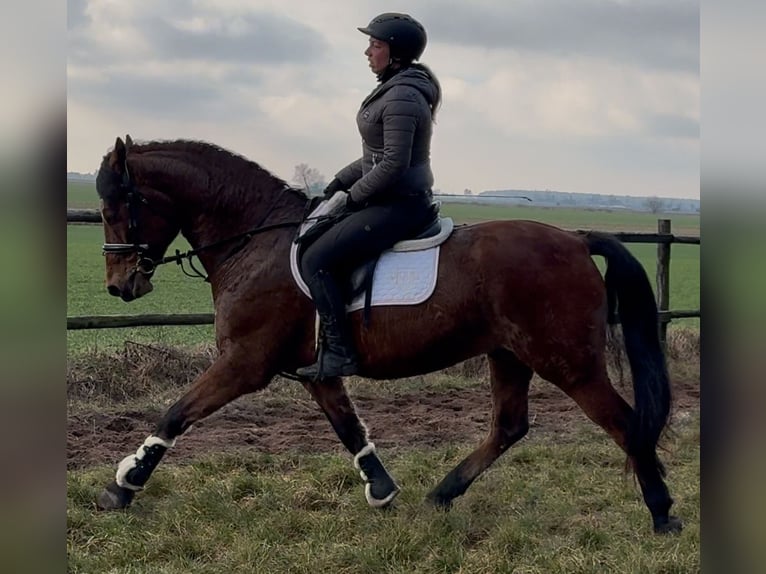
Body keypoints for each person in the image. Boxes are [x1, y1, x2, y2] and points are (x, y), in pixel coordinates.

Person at [296, 12, 443, 381]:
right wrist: (337, 183)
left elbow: (393, 163)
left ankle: (341, 354)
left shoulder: (404, 96)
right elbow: (372, 156)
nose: (367, 52)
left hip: (400, 204)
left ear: (395, 53)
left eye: (375, 45)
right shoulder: (395, 87)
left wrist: (352, 197)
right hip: (386, 197)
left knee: (317, 260)